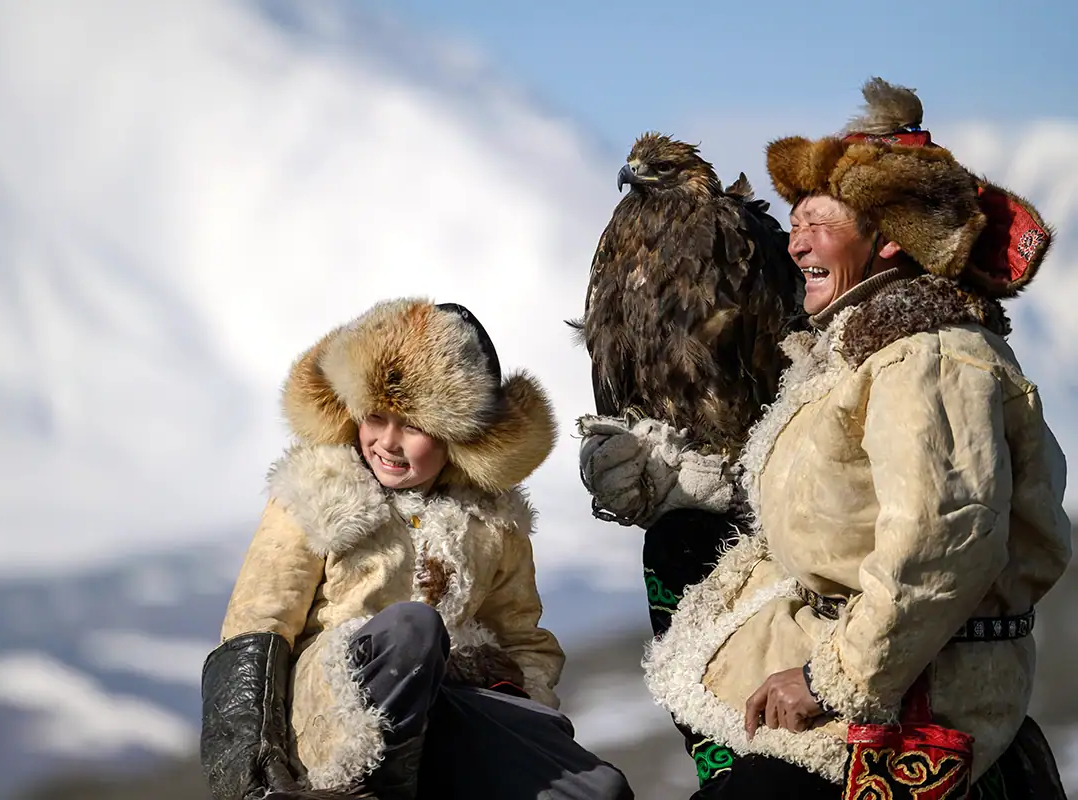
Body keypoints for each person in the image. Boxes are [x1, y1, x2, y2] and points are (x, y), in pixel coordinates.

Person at [579, 78, 1071, 797]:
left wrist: (826, 679)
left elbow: (942, 546)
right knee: (681, 540)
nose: (796, 241)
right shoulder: (856, 350)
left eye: (819, 223)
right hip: (854, 649)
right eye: (796, 219)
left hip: (908, 703)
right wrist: (675, 477)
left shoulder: (926, 359)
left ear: (890, 237)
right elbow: (823, 500)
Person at [198, 298, 634, 800]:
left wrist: (521, 712)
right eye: (375, 417)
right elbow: (257, 626)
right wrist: (246, 776)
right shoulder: (318, 490)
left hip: (448, 708)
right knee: (413, 627)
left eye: (414, 425)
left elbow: (522, 638)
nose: (387, 441)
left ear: (458, 435)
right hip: (335, 713)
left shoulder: (493, 519)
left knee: (599, 790)